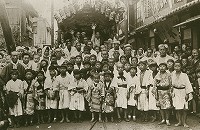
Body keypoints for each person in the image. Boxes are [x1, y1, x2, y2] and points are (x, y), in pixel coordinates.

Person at [171, 60, 193, 128]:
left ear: (181, 67)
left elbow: (188, 84)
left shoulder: (184, 75)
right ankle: (179, 121)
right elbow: (171, 84)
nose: (177, 67)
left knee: (184, 108)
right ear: (173, 66)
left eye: (178, 66)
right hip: (175, 91)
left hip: (183, 91)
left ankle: (184, 122)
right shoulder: (172, 74)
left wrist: (187, 94)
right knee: (177, 108)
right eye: (175, 66)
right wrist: (171, 92)